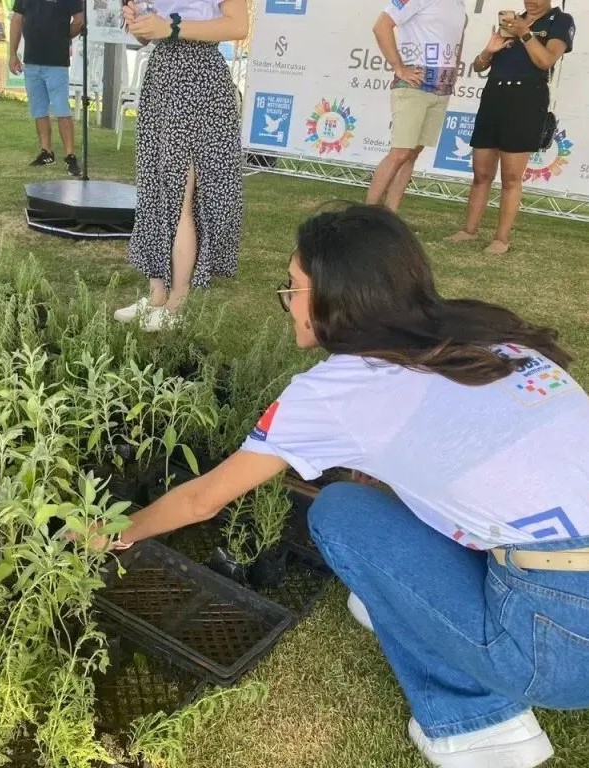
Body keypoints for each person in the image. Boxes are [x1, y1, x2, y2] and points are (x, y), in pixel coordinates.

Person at [97, 204, 589, 768]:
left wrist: (116, 533)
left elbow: (203, 498)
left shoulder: (337, 392)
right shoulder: (493, 338)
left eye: (295, 287)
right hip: (566, 595)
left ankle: (480, 726)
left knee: (340, 513)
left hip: (558, 645)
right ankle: (408, 599)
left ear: (339, 298)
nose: (287, 300)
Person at [112, 0, 247, 332]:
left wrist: (171, 28)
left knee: (182, 196)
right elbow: (147, 35)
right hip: (162, 76)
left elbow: (237, 26)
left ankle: (177, 302)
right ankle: (157, 295)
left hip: (199, 78)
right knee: (156, 189)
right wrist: (139, 22)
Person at [448, 2, 575, 255]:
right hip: (494, 95)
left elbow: (545, 60)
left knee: (511, 177)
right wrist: (488, 51)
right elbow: (479, 66)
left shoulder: (560, 20)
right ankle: (469, 230)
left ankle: (501, 238)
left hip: (526, 99)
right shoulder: (513, 18)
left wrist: (524, 33)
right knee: (481, 171)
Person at [365, 0, 467, 212]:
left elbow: (457, 42)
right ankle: (365, 216)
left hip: (441, 89)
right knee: (400, 153)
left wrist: (453, 72)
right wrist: (399, 67)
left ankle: (391, 215)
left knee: (412, 154)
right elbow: (381, 26)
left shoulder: (459, 3)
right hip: (415, 86)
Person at [9, 0, 84, 177]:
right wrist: (12, 54)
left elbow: (79, 21)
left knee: (61, 109)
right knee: (39, 108)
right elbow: (17, 20)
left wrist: (60, 37)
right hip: (32, 61)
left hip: (56, 62)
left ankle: (70, 155)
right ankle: (46, 152)